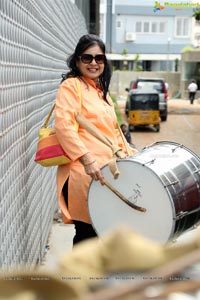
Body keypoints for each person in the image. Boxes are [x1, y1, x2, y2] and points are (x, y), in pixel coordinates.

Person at [54, 34, 135, 246]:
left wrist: (133, 155)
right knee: (87, 236)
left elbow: (113, 133)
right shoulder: (71, 86)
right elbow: (64, 126)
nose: (93, 63)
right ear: (77, 60)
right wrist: (87, 159)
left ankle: (95, 278)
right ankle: (80, 278)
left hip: (107, 174)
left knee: (105, 235)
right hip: (83, 174)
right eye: (87, 58)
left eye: (99, 58)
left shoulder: (101, 92)